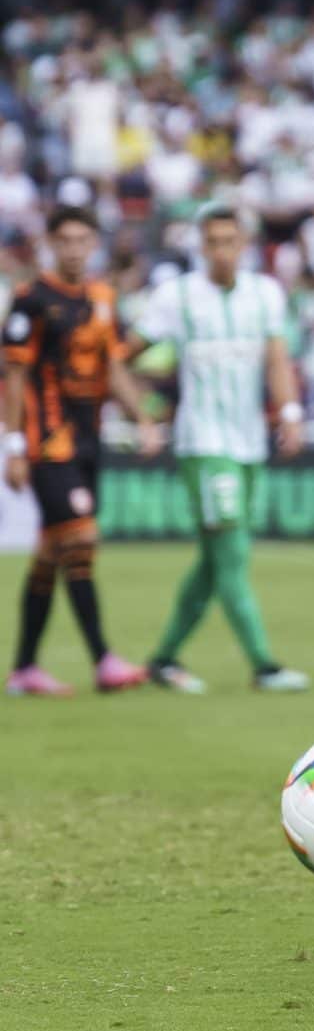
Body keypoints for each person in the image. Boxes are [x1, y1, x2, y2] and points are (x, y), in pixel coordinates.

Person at [137, 205, 312, 694]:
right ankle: (264, 666)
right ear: (200, 245)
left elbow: (277, 358)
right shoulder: (177, 297)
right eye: (211, 241)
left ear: (244, 244)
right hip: (203, 443)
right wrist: (141, 409)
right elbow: (124, 352)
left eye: (229, 240)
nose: (220, 250)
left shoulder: (266, 293)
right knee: (232, 554)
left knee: (216, 561)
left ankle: (164, 659)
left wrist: (291, 413)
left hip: (249, 443)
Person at [2, 205, 161, 696]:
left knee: (53, 552)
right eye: (64, 239)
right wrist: (12, 445)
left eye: (82, 239)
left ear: (93, 244)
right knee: (81, 541)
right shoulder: (31, 300)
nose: (73, 248)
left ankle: (25, 668)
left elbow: (112, 367)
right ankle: (103, 660)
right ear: (51, 243)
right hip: (49, 443)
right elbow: (14, 375)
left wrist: (142, 418)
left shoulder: (103, 298)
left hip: (89, 441)